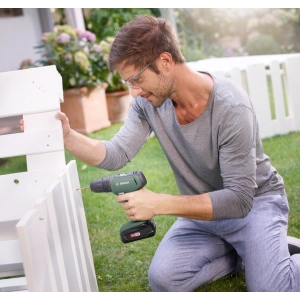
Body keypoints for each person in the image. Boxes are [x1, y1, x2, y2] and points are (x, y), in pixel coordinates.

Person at [21, 14, 300, 292]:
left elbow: (239, 200)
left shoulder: (231, 107)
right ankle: (249, 254)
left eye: (137, 79)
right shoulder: (149, 103)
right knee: (164, 280)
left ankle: (267, 254)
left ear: (165, 62)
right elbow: (116, 153)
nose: (133, 92)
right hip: (201, 215)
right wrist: (68, 137)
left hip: (255, 206)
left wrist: (158, 203)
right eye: (128, 82)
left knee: (271, 291)